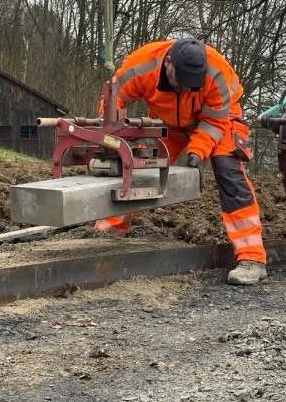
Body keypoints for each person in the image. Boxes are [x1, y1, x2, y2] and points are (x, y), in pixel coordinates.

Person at [94, 38, 267, 285]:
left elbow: (215, 120)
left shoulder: (217, 74)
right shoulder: (142, 65)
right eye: (180, 83)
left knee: (229, 172)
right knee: (138, 163)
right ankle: (108, 234)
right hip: (168, 125)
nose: (185, 90)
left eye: (191, 87)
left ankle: (252, 258)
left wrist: (198, 150)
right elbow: (114, 100)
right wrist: (113, 134)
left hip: (220, 120)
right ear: (168, 64)